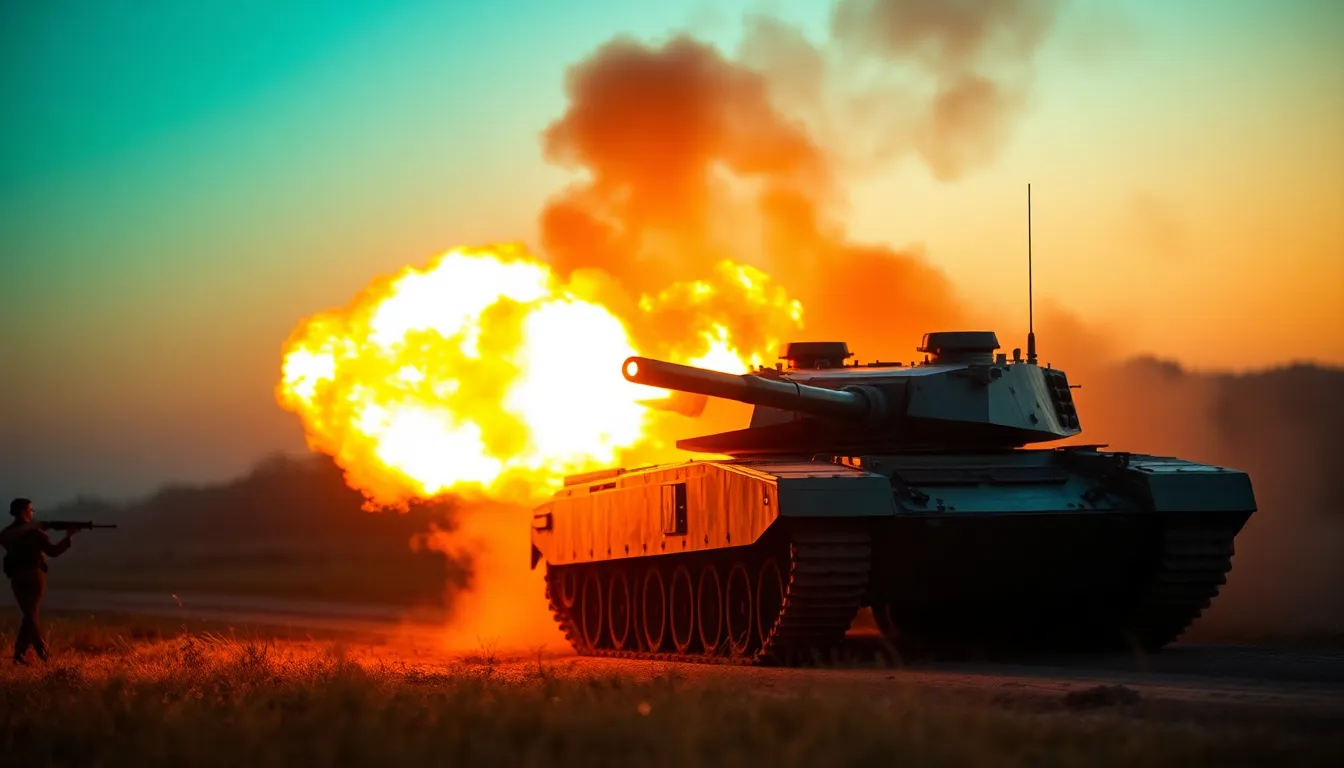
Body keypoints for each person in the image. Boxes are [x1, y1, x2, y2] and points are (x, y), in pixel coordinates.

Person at [1, 498, 76, 664]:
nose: (32, 513)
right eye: (30, 510)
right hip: (35, 577)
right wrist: (68, 537)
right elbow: (53, 551)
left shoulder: (10, 534)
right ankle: (43, 655)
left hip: (17, 579)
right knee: (31, 615)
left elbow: (5, 539)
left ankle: (19, 654)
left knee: (29, 615)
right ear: (23, 512)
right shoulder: (34, 532)